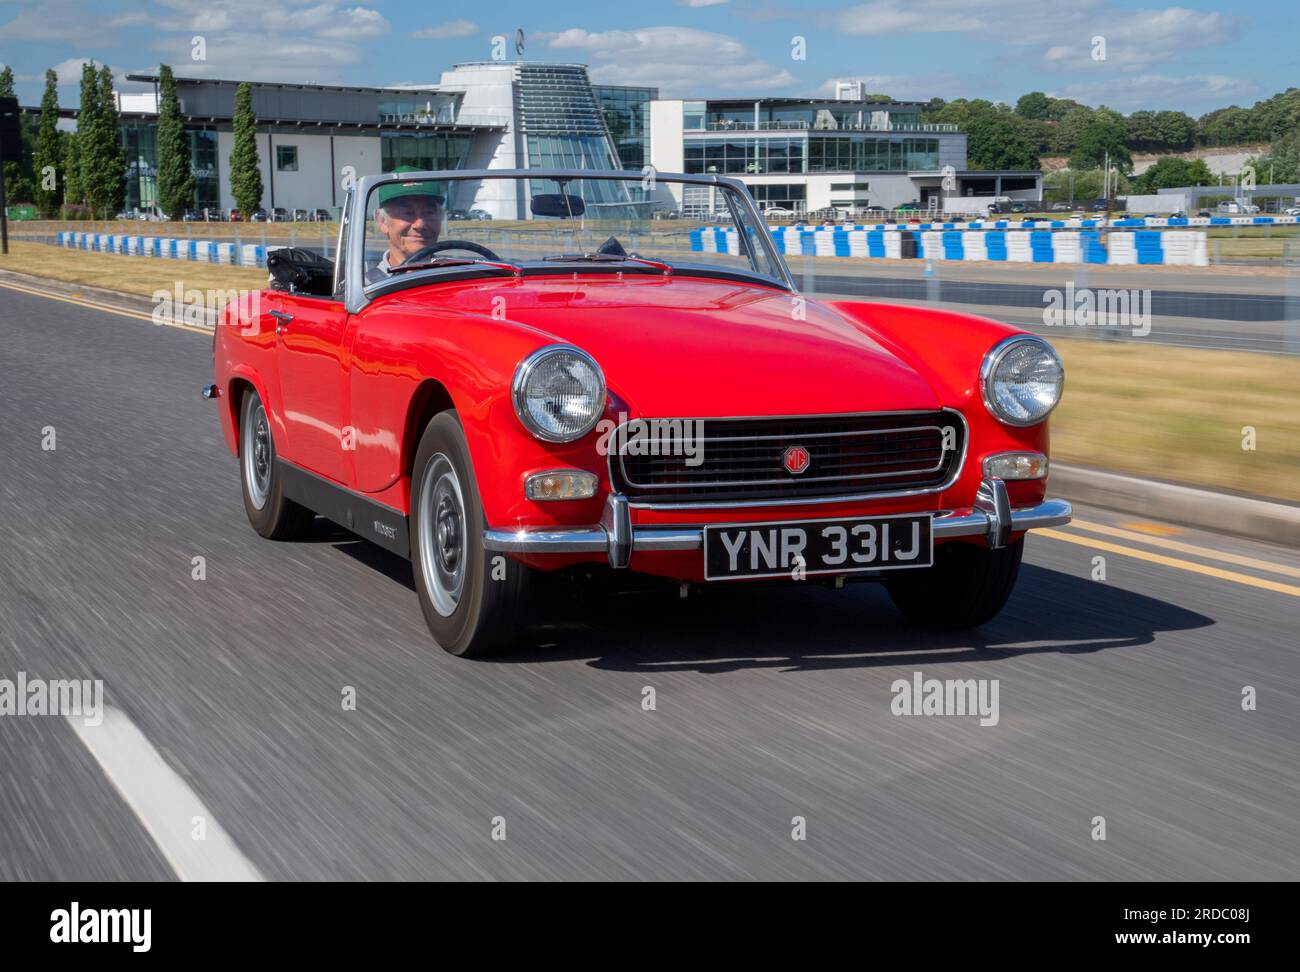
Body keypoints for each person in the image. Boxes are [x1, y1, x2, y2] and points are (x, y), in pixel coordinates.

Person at [365, 166, 446, 284]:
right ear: (382, 221)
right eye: (407, 213)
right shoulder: (364, 288)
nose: (420, 224)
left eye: (429, 212)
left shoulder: (460, 277)